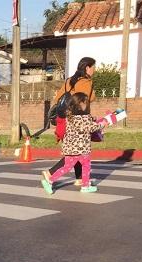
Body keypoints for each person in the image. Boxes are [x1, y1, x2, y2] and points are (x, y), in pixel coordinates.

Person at [42, 57, 97, 187]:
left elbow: (57, 99)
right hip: (77, 119)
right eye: (93, 67)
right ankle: (51, 173)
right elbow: (82, 103)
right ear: (87, 67)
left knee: (77, 148)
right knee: (76, 150)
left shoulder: (69, 81)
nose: (94, 70)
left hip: (66, 119)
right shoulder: (85, 82)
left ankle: (79, 178)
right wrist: (88, 119)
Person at [40, 92, 107, 194]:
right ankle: (85, 186)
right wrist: (102, 124)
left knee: (66, 167)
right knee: (86, 166)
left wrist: (92, 120)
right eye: (85, 103)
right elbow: (91, 127)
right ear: (80, 104)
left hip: (70, 148)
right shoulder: (83, 118)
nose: (87, 105)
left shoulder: (70, 117)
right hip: (81, 148)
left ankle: (50, 180)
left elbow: (83, 125)